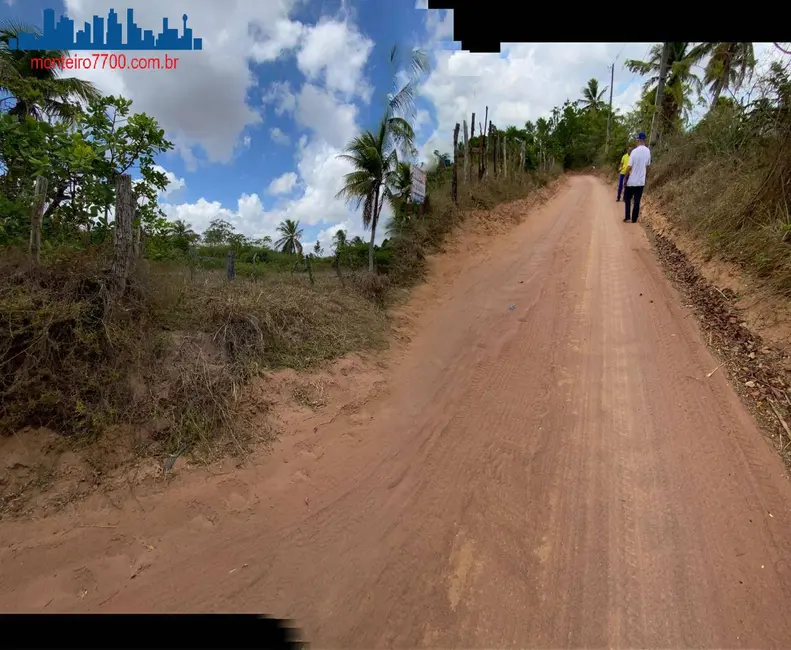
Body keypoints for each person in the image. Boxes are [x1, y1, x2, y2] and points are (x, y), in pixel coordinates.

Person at [623, 133, 651, 223]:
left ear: (638, 140)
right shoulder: (648, 151)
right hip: (641, 182)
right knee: (637, 201)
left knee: (627, 199)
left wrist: (625, 177)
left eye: (636, 140)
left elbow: (629, 166)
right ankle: (634, 219)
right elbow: (648, 164)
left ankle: (627, 217)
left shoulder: (634, 152)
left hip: (631, 181)